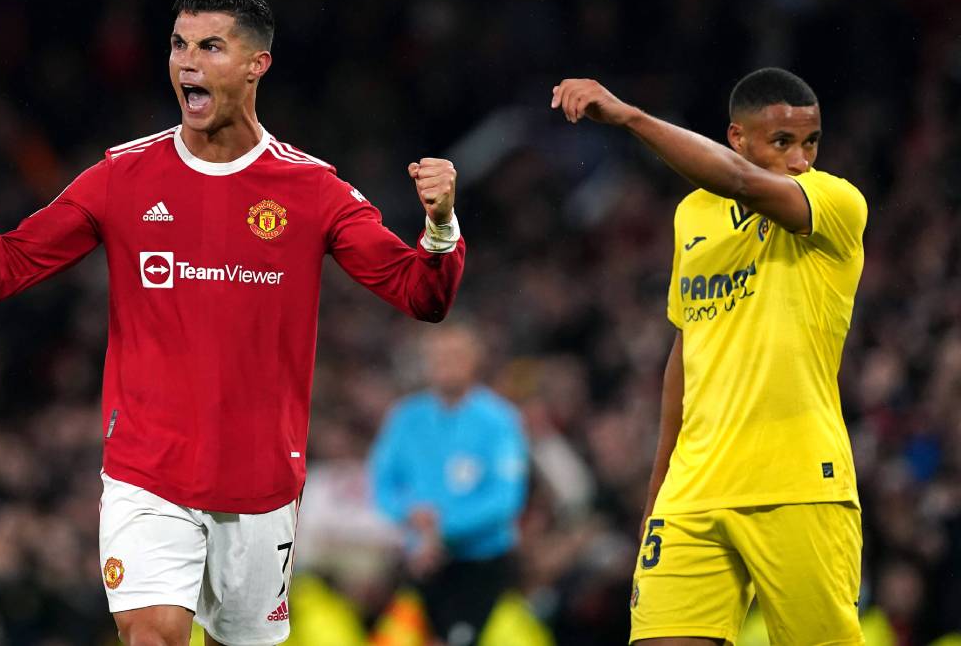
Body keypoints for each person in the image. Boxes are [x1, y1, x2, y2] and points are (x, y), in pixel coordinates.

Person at [0, 0, 466, 646]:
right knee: (152, 635)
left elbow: (421, 295)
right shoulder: (122, 176)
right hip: (148, 472)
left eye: (211, 46)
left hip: (262, 485)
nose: (187, 62)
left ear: (256, 64)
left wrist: (439, 226)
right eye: (179, 45)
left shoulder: (313, 190)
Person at [551, 68, 866, 645]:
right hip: (693, 491)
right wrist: (657, 494)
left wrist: (630, 117)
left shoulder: (835, 202)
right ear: (737, 137)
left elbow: (743, 184)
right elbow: (685, 351)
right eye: (782, 143)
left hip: (797, 482)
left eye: (811, 140)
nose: (801, 159)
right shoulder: (693, 215)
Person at [369, 322, 528, 646]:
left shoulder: (499, 421)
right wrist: (409, 514)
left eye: (455, 355)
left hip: (479, 565)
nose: (446, 363)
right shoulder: (406, 417)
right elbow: (383, 482)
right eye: (438, 356)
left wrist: (440, 529)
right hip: (419, 562)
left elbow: (505, 498)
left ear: (474, 360)